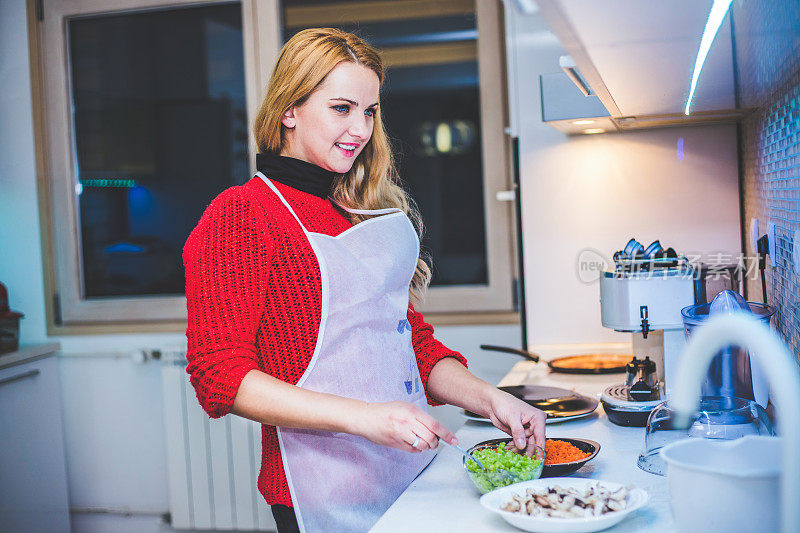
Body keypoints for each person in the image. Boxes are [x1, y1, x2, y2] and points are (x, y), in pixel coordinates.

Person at [183, 27, 546, 533]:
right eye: (341, 108)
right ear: (289, 110)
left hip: (409, 467)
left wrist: (493, 400)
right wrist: (365, 417)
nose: (360, 128)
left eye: (370, 111)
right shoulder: (242, 216)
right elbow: (218, 372)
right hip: (320, 489)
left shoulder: (358, 212)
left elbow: (410, 344)